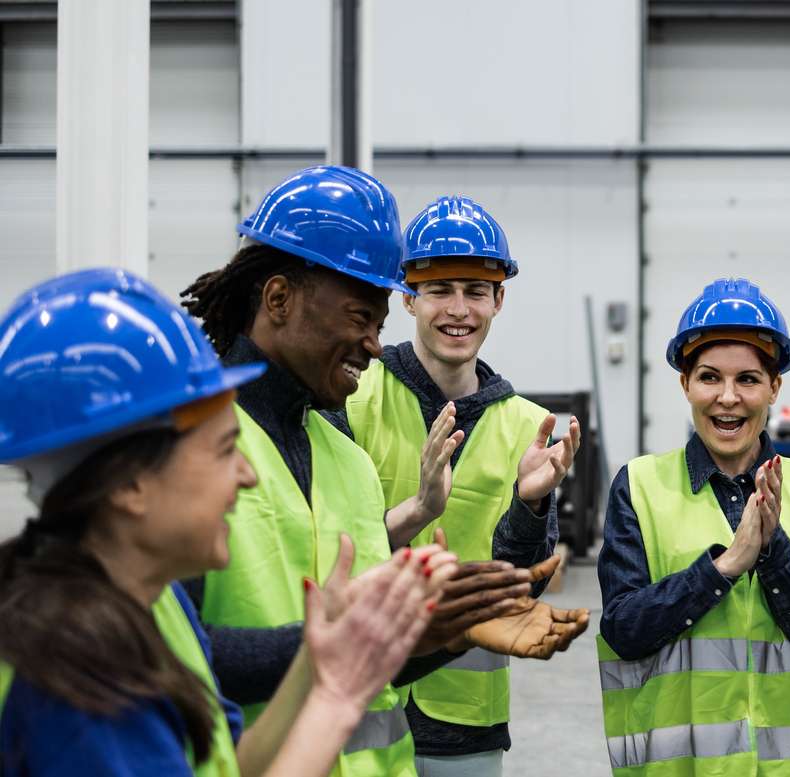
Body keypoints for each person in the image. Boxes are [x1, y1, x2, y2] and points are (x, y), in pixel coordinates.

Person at [177, 166, 581, 777]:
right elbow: (163, 653)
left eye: (378, 325)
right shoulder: (186, 447)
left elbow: (368, 664)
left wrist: (448, 633)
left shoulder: (343, 461)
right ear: (279, 299)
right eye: (359, 320)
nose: (373, 345)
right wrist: (348, 640)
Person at [0, 268, 458, 777]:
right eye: (223, 450)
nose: (245, 473)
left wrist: (324, 654)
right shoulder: (76, 672)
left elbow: (227, 765)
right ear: (129, 483)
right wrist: (337, 696)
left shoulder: (155, 607)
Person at [327, 194, 585, 777]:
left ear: (499, 299)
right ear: (408, 297)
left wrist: (530, 505)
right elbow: (326, 549)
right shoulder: (353, 397)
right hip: (357, 696)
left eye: (475, 290)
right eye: (440, 290)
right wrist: (418, 509)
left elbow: (523, 591)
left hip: (464, 718)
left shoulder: (528, 425)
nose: (458, 309)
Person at [597, 278, 790, 775]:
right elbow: (624, 630)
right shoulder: (639, 486)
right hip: (678, 765)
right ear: (686, 384)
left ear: (774, 387)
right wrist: (723, 569)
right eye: (710, 378)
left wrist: (773, 549)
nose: (728, 398)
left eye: (749, 380)